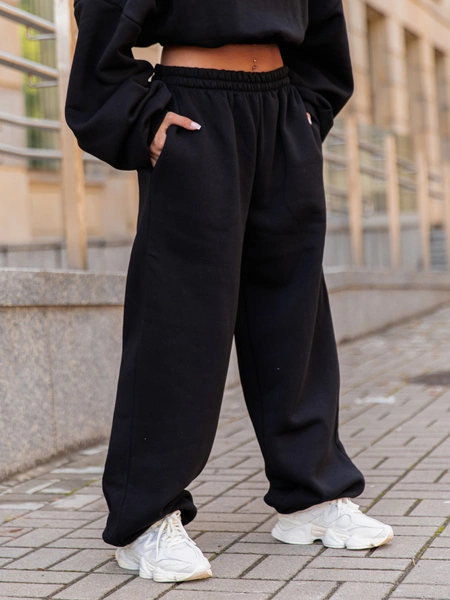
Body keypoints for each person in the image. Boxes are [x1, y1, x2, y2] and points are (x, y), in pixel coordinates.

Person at [66, 0, 394, 584]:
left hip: (282, 110)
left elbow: (323, 17)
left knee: (295, 314)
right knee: (180, 319)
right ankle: (146, 517)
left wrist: (309, 110)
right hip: (195, 113)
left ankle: (311, 494)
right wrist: (140, 117)